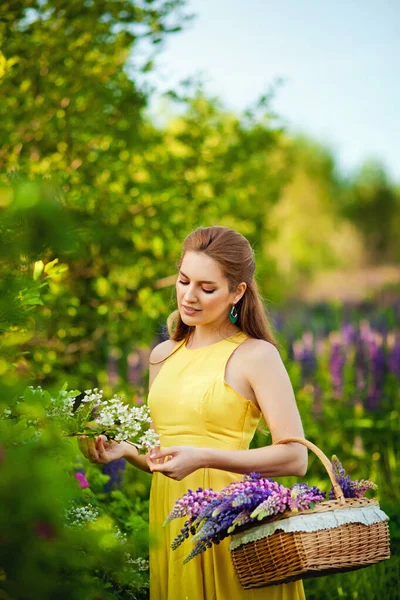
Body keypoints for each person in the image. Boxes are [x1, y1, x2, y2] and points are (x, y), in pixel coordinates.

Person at [79, 226, 308, 600]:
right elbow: (163, 452)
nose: (189, 296)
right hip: (172, 520)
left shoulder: (255, 355)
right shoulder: (163, 355)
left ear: (237, 292)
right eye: (184, 280)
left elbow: (296, 457)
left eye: (207, 287)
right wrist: (125, 450)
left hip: (232, 520)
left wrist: (203, 457)